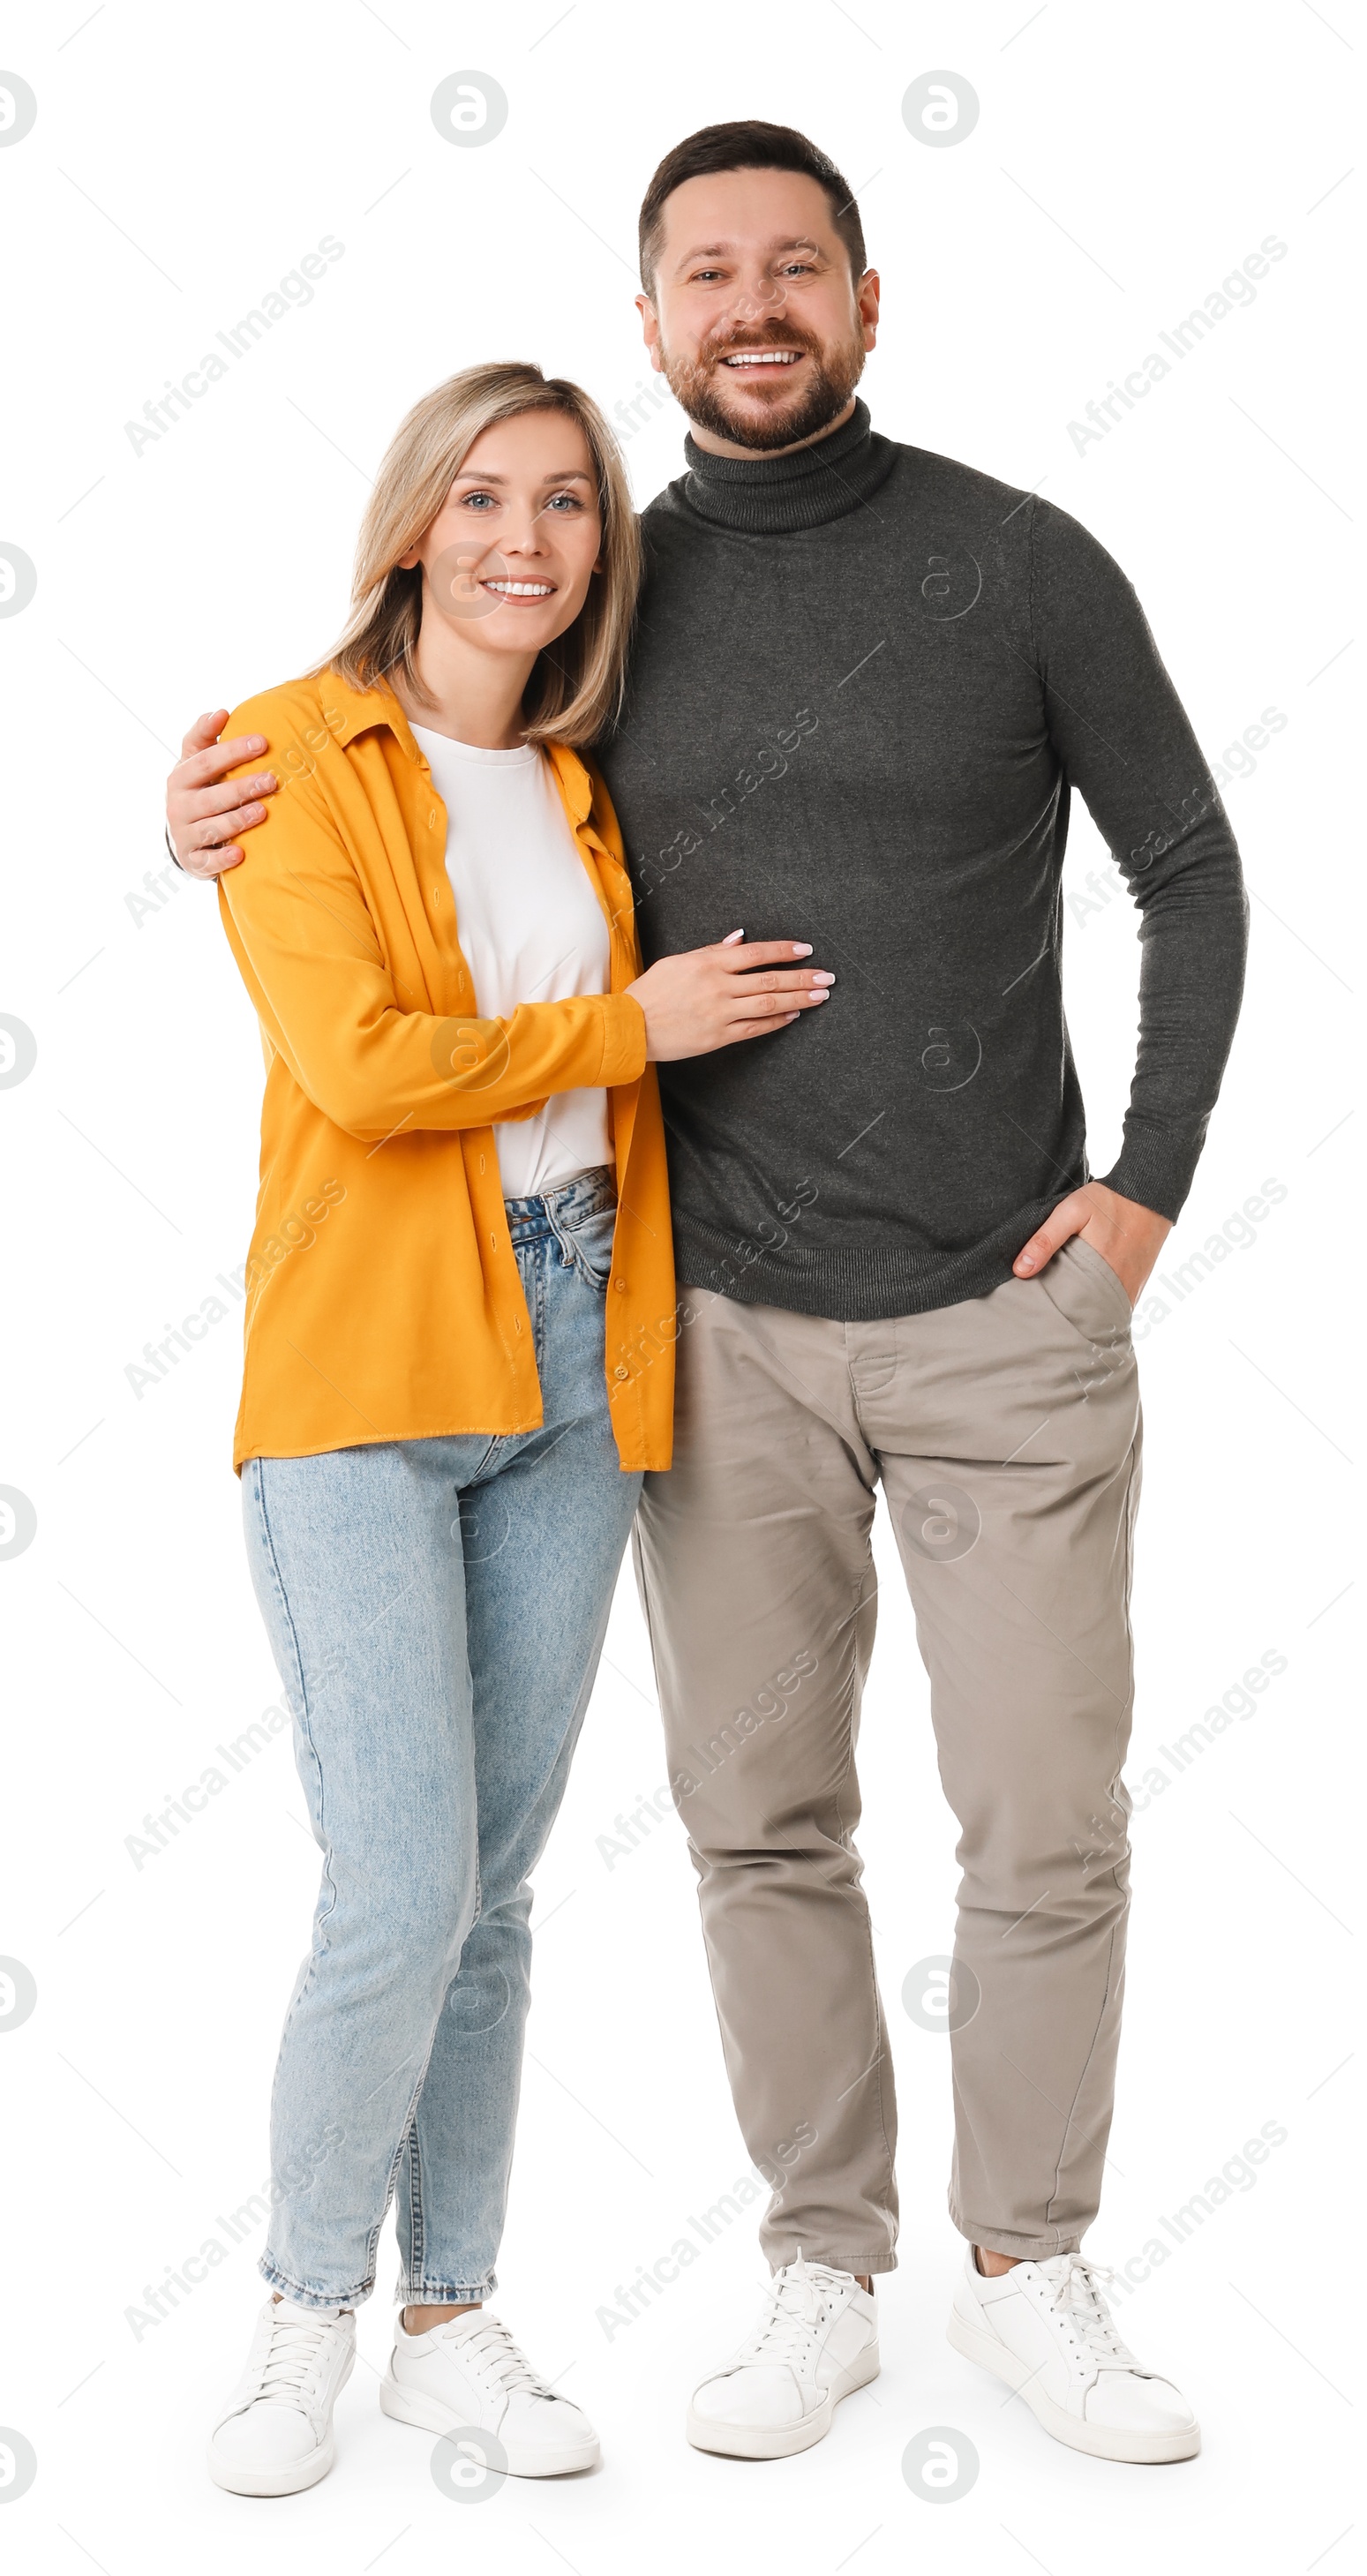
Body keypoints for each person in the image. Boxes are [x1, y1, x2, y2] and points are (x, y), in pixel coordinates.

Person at [167, 124, 1247, 2473]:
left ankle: (1033, 2265)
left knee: (1043, 1816)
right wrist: (209, 799)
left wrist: (1147, 1194)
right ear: (653, 317)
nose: (753, 307)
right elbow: (399, 793)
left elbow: (1192, 870)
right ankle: (813, 2270)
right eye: (704, 275)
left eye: (796, 270)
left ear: (869, 300)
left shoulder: (1020, 563)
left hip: (993, 1309)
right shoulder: (605, 613)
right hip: (700, 1331)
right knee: (750, 1828)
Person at [194, 358, 829, 2497]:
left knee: (497, 1888)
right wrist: (619, 1029)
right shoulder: (287, 753)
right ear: (409, 523)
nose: (524, 540)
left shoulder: (579, 775)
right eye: (482, 497)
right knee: (396, 1880)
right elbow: (366, 1068)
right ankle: (301, 2311)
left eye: (564, 503)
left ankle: (450, 2316)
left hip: (576, 1353)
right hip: (368, 1371)